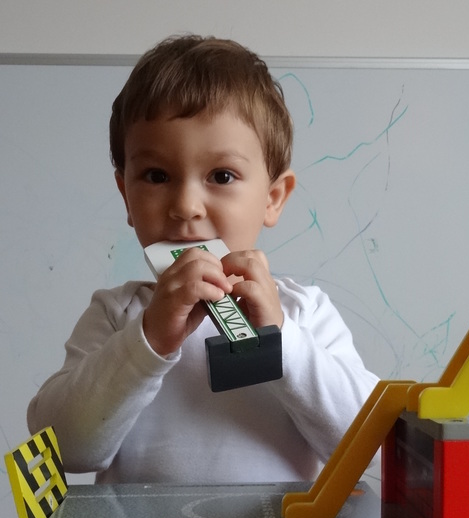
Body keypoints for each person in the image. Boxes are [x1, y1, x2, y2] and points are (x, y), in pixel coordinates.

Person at [27, 34, 379, 486]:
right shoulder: (118, 315)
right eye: (157, 176)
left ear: (273, 198)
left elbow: (371, 446)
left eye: (222, 176)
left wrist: (282, 341)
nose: (186, 206)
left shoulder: (302, 312)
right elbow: (62, 449)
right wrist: (148, 339)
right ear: (126, 197)